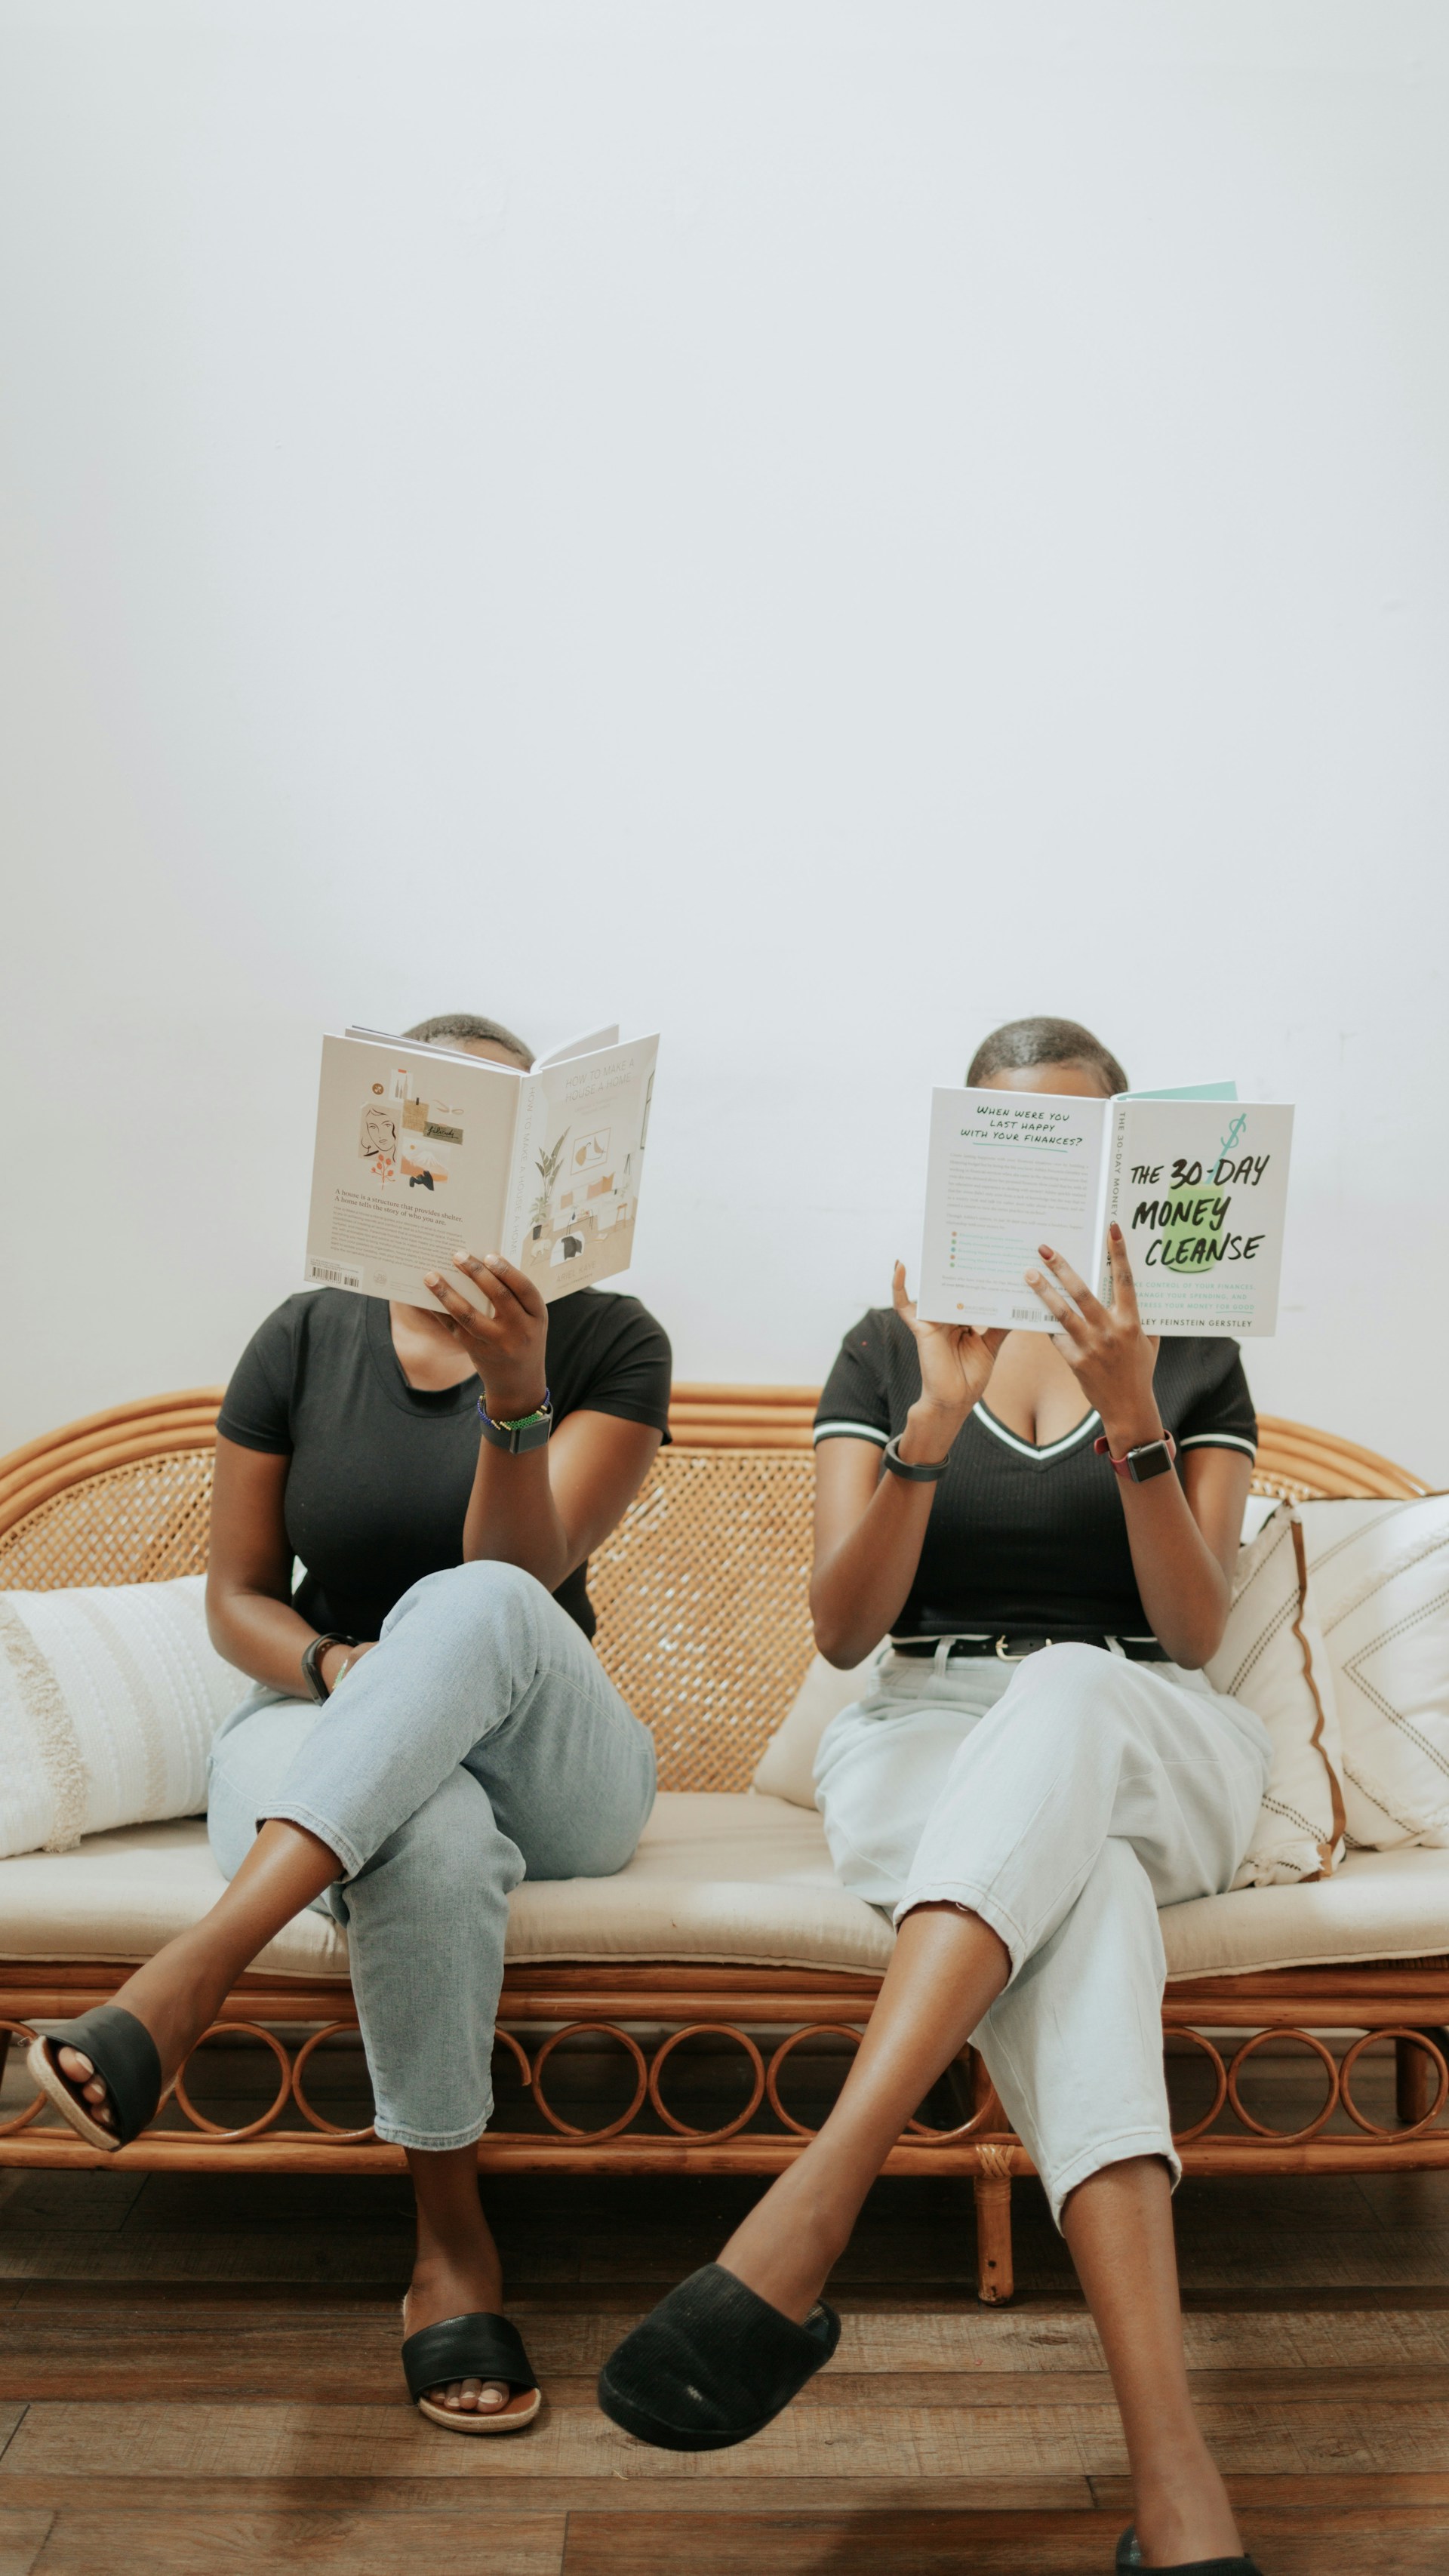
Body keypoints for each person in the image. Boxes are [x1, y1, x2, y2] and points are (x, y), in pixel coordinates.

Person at [599, 1017, 1268, 2576]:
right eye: (1015, 1140)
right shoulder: (891, 1346)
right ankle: (1178, 2486)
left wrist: (1132, 1420)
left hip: (1148, 1722)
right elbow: (844, 1631)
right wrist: (930, 1423)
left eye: (1086, 1149)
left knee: (1074, 1684)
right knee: (1081, 1905)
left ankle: (817, 2195)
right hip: (921, 1732)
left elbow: (1189, 1633)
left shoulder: (1197, 1345)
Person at [29, 1011, 670, 2437]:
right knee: (421, 1830)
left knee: (478, 1605)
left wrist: (520, 1398)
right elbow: (236, 1600)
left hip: (553, 1759)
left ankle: (189, 1976)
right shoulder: (307, 1332)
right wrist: (340, 1671)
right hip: (318, 1714)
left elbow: (527, 1582)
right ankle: (449, 2247)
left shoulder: (614, 1340)